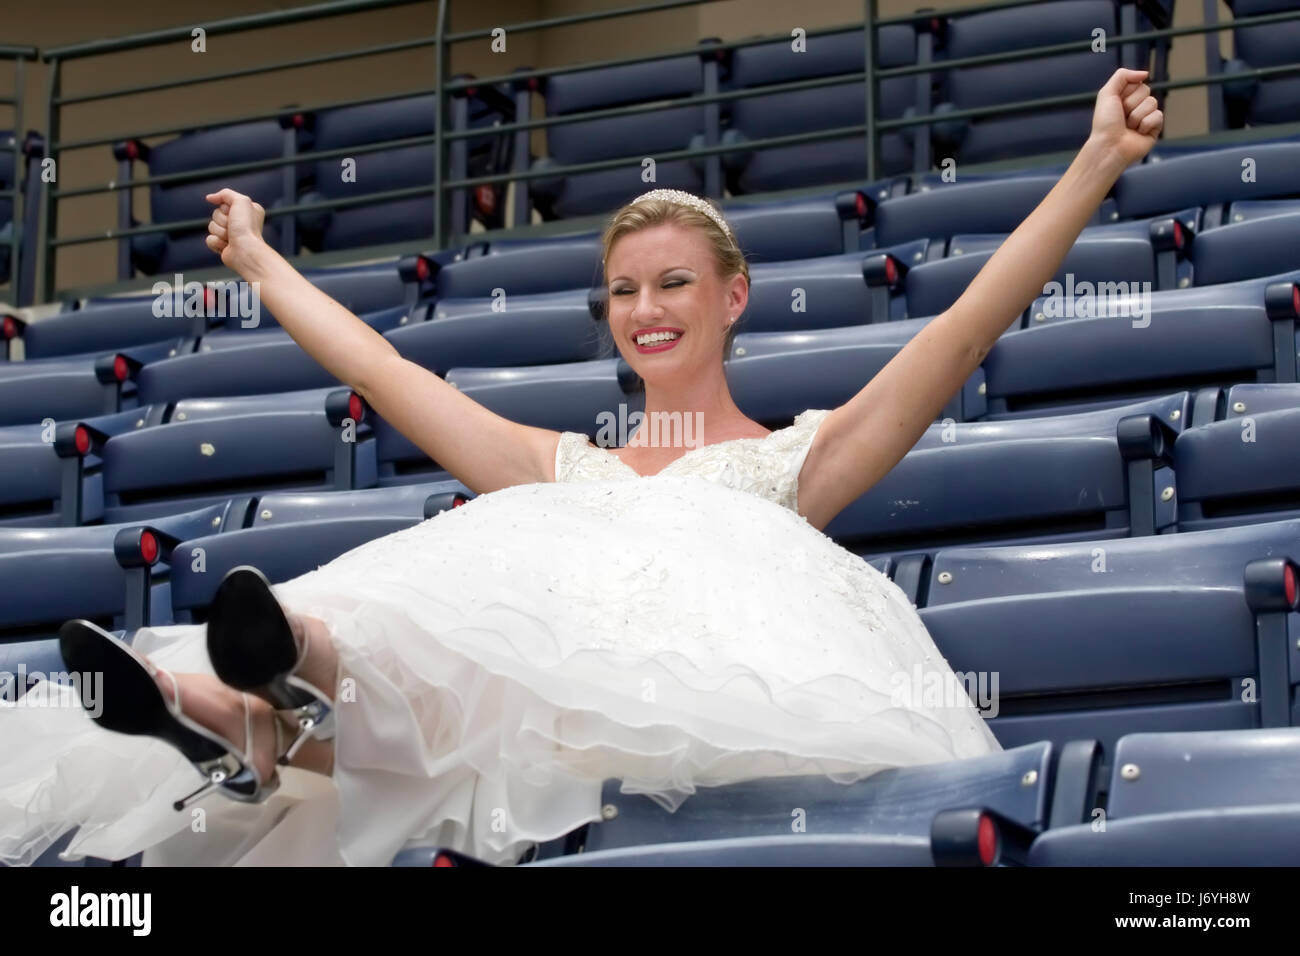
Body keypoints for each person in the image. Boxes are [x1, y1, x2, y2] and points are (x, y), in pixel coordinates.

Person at [0, 69, 1162, 867]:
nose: (643, 310)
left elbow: (959, 329)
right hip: (518, 711)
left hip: (698, 702)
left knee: (479, 622)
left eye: (671, 283)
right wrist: (256, 258)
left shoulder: (794, 458)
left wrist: (1096, 159)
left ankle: (279, 692)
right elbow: (389, 373)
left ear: (732, 296)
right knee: (467, 579)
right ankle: (255, 696)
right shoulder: (565, 467)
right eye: (621, 289)